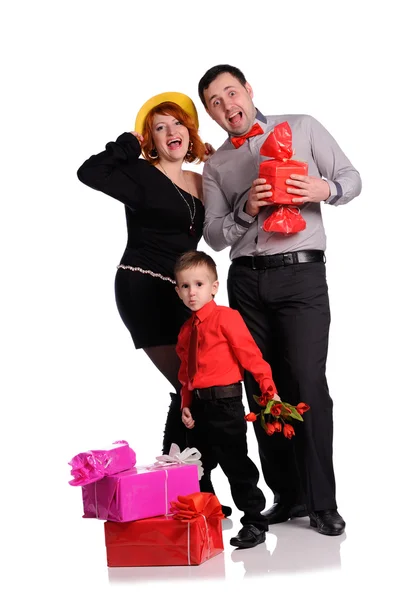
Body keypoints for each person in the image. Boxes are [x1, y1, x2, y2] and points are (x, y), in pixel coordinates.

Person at [197, 64, 362, 536]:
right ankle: (287, 497)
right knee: (261, 387)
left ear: (248, 90)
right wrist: (246, 209)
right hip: (246, 281)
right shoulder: (217, 166)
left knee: (308, 384)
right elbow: (213, 235)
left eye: (232, 92)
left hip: (302, 275)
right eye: (216, 102)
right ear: (211, 113)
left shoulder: (304, 127)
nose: (229, 106)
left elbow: (351, 178)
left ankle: (322, 501)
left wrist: (323, 189)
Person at [76, 92, 216, 465]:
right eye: (159, 127)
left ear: (189, 133)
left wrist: (224, 167)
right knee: (190, 386)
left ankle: (186, 482)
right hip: (142, 286)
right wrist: (126, 146)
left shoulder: (201, 182)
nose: (171, 130)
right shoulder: (140, 175)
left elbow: (226, 225)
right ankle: (188, 483)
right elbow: (89, 172)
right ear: (151, 141)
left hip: (182, 293)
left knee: (199, 387)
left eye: (177, 123)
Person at [174, 250, 280, 549]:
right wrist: (186, 403)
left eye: (198, 284)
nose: (192, 292)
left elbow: (251, 356)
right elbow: (186, 374)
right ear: (177, 290)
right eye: (185, 286)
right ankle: (211, 510)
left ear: (214, 287)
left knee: (236, 464)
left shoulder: (226, 318)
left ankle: (255, 521)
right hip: (199, 406)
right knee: (197, 465)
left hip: (226, 404)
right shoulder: (185, 331)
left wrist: (267, 387)